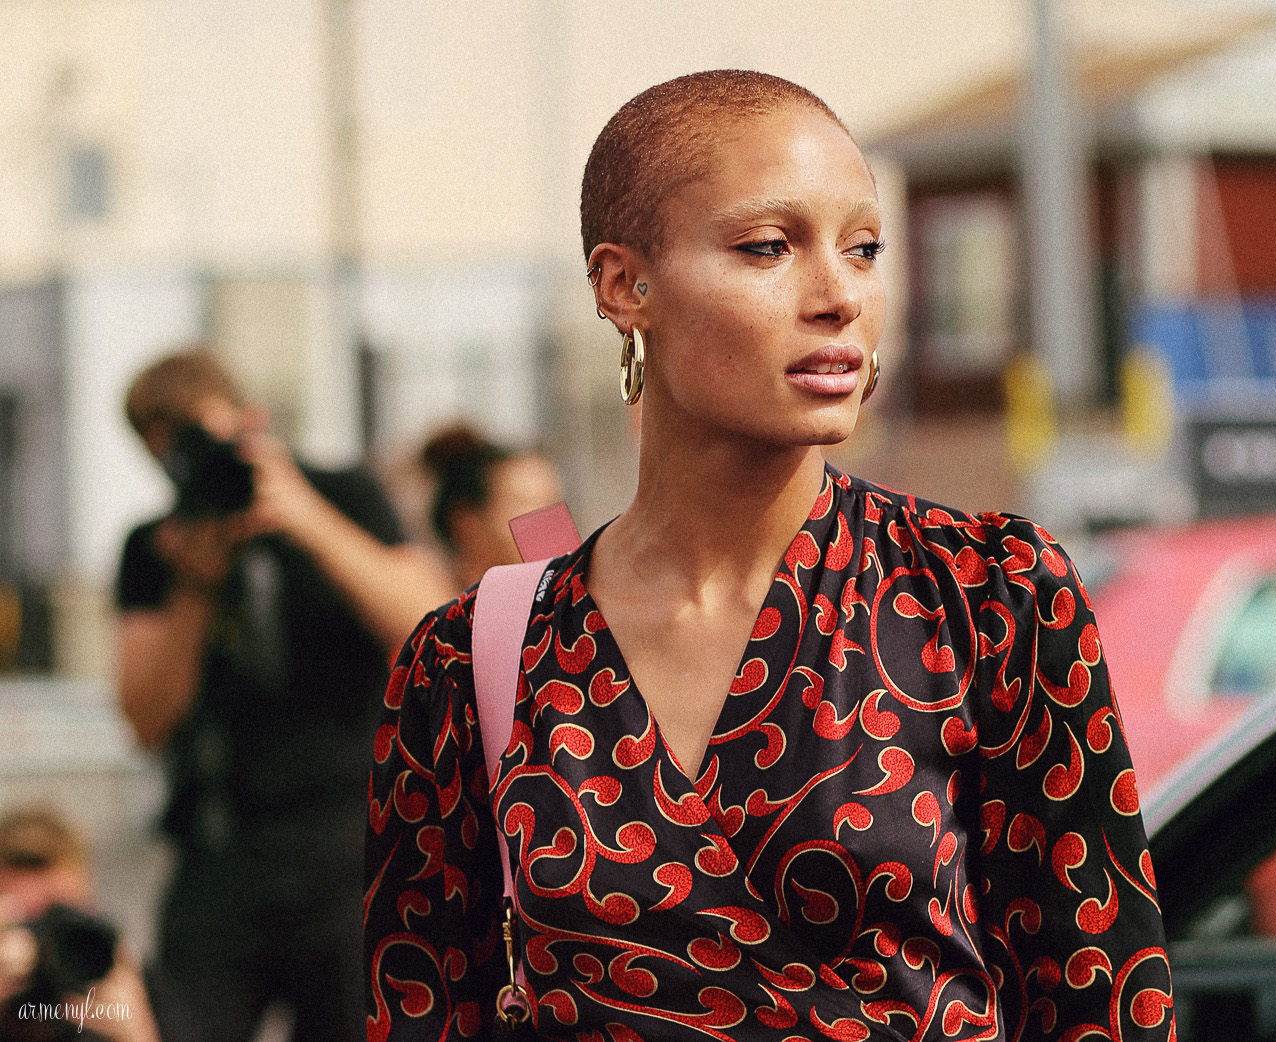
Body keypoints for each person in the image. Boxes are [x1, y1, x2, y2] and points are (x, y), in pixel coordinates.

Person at [365, 71, 1173, 1041]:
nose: (837, 296)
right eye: (766, 247)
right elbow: (416, 1009)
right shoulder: (474, 657)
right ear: (624, 285)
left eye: (863, 248)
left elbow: (1102, 1000)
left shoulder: (986, 593)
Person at [115, 348, 454, 1042]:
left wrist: (302, 516)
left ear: (252, 421)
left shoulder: (340, 493)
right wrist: (194, 591)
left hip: (349, 848)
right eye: (172, 456)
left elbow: (432, 626)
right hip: (221, 851)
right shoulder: (160, 548)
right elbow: (146, 720)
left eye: (206, 440)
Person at [0, 806, 160, 1042]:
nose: (44, 940)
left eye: (59, 915)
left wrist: (137, 1034)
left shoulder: (127, 981)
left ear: (89, 904)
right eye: (26, 921)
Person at [419, 424, 564, 590]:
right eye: (526, 506)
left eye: (552, 505)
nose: (550, 525)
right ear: (467, 522)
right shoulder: (426, 600)